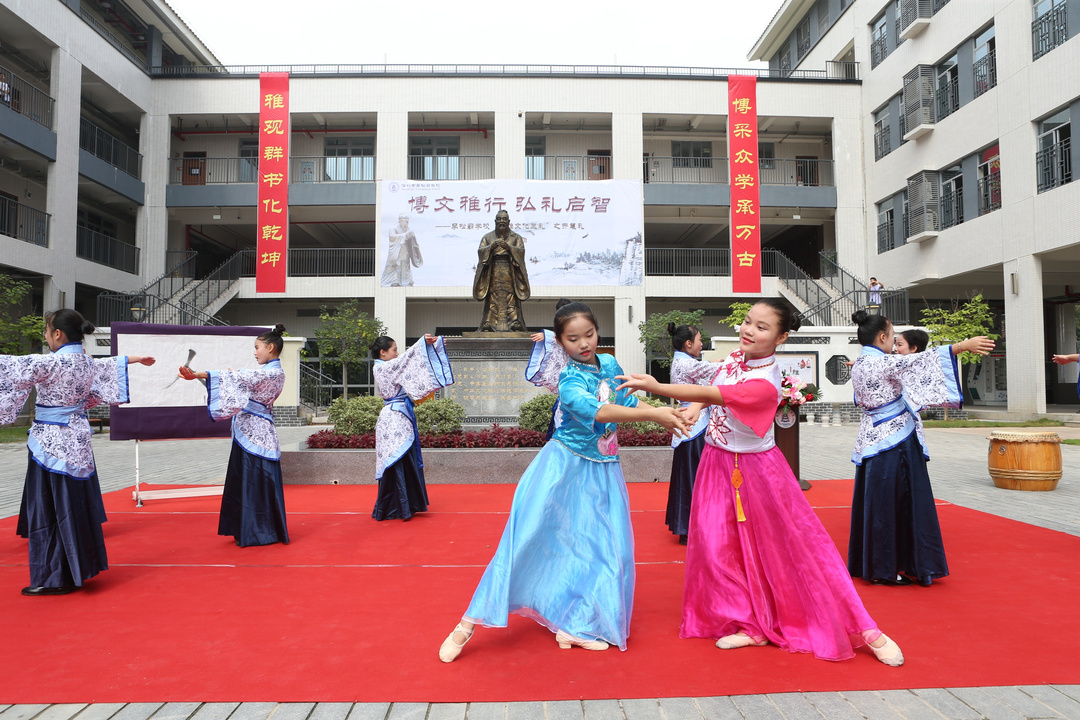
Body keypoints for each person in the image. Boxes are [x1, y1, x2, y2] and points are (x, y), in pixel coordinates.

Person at [616, 299, 905, 666]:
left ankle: (865, 630)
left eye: (762, 327)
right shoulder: (737, 358)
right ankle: (750, 624)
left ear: (781, 338)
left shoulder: (765, 383)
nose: (749, 330)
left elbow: (712, 393)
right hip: (715, 463)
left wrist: (659, 387)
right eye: (748, 321)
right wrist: (693, 411)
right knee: (718, 548)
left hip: (759, 471)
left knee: (796, 548)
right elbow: (714, 386)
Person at [438, 299, 689, 662]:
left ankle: (576, 625)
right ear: (559, 342)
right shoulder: (568, 380)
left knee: (608, 549)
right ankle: (467, 624)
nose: (584, 343)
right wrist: (657, 416)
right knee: (526, 541)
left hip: (603, 469)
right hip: (562, 470)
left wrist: (665, 412)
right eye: (573, 339)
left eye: (590, 334)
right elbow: (600, 411)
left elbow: (627, 401)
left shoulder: (610, 364)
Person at [0, 309, 155, 595]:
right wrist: (135, 359)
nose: (46, 336)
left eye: (47, 331)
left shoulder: (51, 363)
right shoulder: (85, 361)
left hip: (51, 443)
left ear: (57, 333)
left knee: (50, 509)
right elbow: (109, 364)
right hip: (77, 440)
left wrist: (134, 358)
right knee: (73, 505)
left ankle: (55, 577)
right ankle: (79, 568)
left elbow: (9, 368)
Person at [848, 311, 994, 587]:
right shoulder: (883, 362)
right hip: (895, 441)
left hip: (872, 439)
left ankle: (880, 565)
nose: (894, 343)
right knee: (898, 502)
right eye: (893, 337)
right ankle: (890, 567)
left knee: (879, 502)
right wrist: (962, 346)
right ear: (882, 336)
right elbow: (923, 360)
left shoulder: (860, 363)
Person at [178, 324, 290, 547]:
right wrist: (227, 377)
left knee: (252, 481)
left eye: (257, 347)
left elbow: (236, 377)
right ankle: (251, 528)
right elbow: (238, 381)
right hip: (254, 430)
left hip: (255, 432)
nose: (255, 352)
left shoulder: (271, 373)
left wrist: (198, 374)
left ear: (270, 347)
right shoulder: (270, 373)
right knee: (249, 481)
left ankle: (257, 531)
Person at [370, 333, 454, 521]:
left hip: (396, 416)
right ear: (383, 352)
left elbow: (410, 365)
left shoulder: (384, 367)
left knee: (401, 460)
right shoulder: (384, 367)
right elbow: (409, 359)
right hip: (395, 419)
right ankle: (400, 507)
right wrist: (424, 343)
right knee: (398, 461)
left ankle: (401, 506)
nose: (397, 353)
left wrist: (431, 347)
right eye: (394, 350)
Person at [665, 322, 711, 545]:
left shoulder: (681, 361)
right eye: (700, 340)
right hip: (696, 425)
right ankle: (698, 527)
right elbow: (717, 371)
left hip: (688, 425)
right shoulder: (689, 364)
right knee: (698, 478)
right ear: (689, 343)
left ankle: (685, 526)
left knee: (687, 477)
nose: (702, 344)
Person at [472, 209, 531, 332]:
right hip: (493, 270)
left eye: (504, 219)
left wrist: (508, 247)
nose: (501, 221)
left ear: (509, 221)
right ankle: (489, 322)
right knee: (492, 297)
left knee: (511, 297)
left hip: (510, 271)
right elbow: (481, 251)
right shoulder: (488, 237)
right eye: (499, 219)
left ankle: (514, 322)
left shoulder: (516, 238)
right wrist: (491, 247)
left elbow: (521, 252)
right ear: (495, 221)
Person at [380, 214, 423, 287]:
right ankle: (394, 280)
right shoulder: (393, 228)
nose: (406, 223)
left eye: (407, 221)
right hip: (397, 251)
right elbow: (392, 237)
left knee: (405, 265)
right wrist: (405, 235)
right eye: (404, 220)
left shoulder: (408, 229)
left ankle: (407, 280)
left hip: (406, 251)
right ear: (400, 220)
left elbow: (412, 241)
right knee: (396, 266)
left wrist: (412, 236)